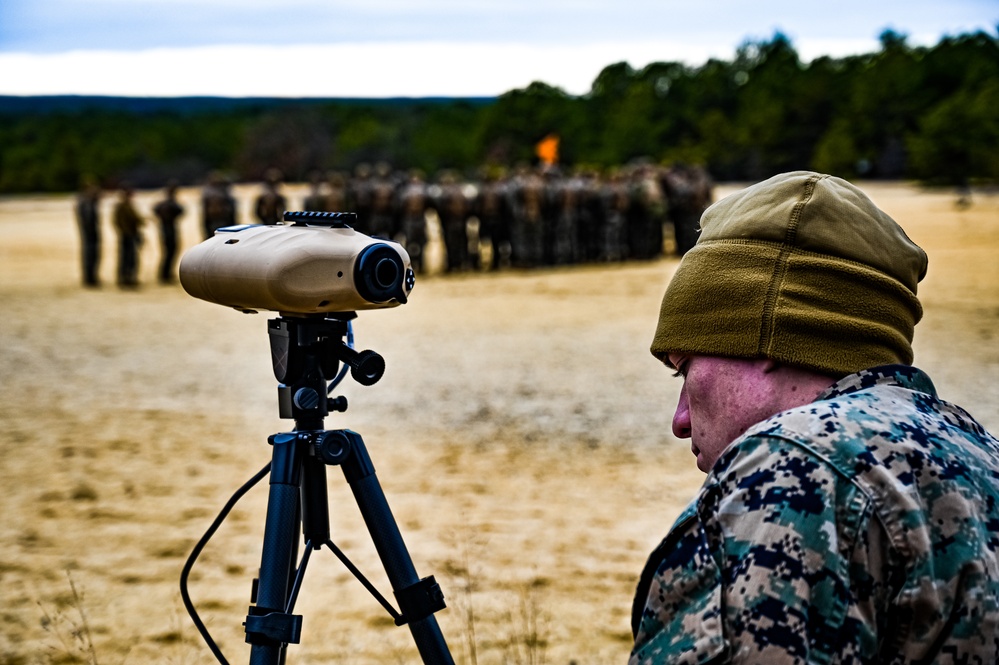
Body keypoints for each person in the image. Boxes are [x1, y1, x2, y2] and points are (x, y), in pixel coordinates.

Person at [631, 171, 999, 664]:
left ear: (760, 340)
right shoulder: (979, 454)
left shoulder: (789, 468)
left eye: (684, 370)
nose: (679, 421)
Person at [112, 185, 144, 288]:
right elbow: (118, 221)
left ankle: (128, 278)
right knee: (127, 258)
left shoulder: (127, 205)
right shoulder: (122, 206)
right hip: (127, 236)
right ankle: (126, 279)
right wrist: (126, 232)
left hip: (130, 235)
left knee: (130, 258)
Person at [153, 181, 184, 284]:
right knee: (170, 251)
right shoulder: (169, 203)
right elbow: (181, 210)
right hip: (168, 228)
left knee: (169, 251)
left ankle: (165, 273)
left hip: (166, 228)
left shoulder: (163, 204)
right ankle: (165, 274)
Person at [75, 176, 102, 287]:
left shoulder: (86, 201)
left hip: (89, 233)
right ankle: (89, 278)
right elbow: (88, 219)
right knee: (90, 255)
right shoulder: (85, 202)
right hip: (89, 234)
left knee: (92, 255)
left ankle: (91, 277)